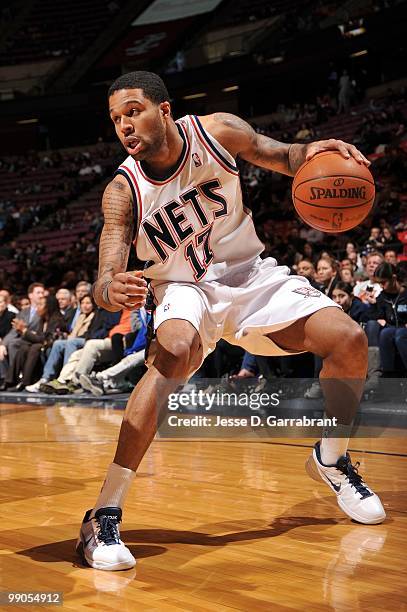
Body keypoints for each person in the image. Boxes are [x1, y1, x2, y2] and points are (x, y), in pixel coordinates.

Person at [77, 71, 385, 571]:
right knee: (173, 351)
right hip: (182, 288)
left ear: (164, 110)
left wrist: (317, 152)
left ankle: (331, 458)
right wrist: (110, 287)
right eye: (116, 119)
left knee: (349, 341)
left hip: (248, 276)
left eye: (133, 111)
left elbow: (284, 156)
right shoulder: (122, 190)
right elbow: (103, 279)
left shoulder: (218, 132)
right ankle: (103, 514)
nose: (124, 126)